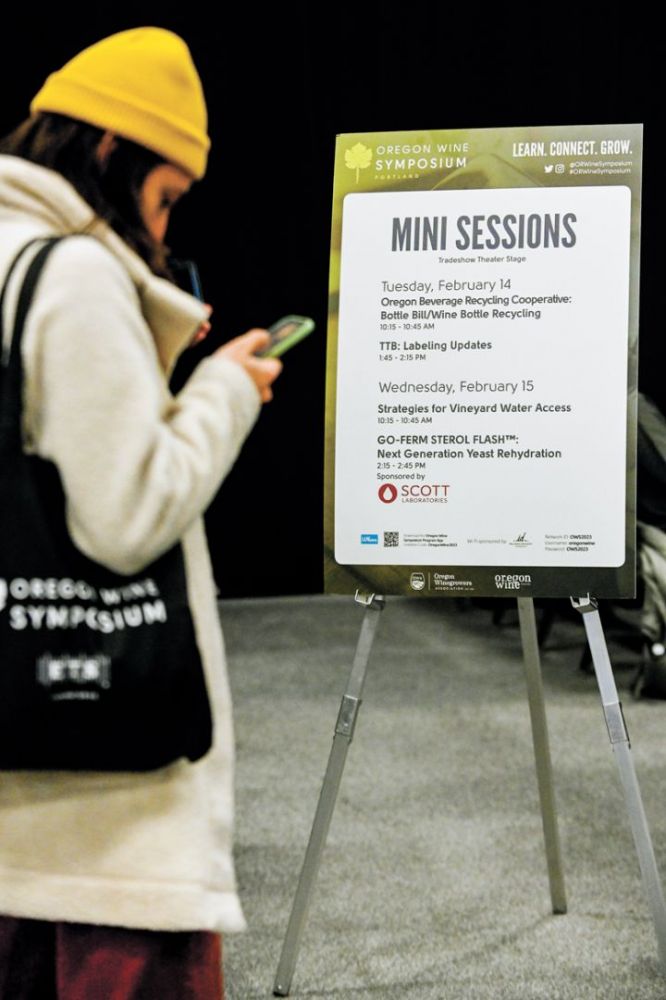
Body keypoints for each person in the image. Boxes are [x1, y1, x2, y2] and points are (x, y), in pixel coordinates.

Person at [0, 26, 281, 999]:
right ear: (110, 154)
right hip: (98, 827)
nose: (161, 235)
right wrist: (223, 393)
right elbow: (127, 512)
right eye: (162, 200)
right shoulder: (71, 275)